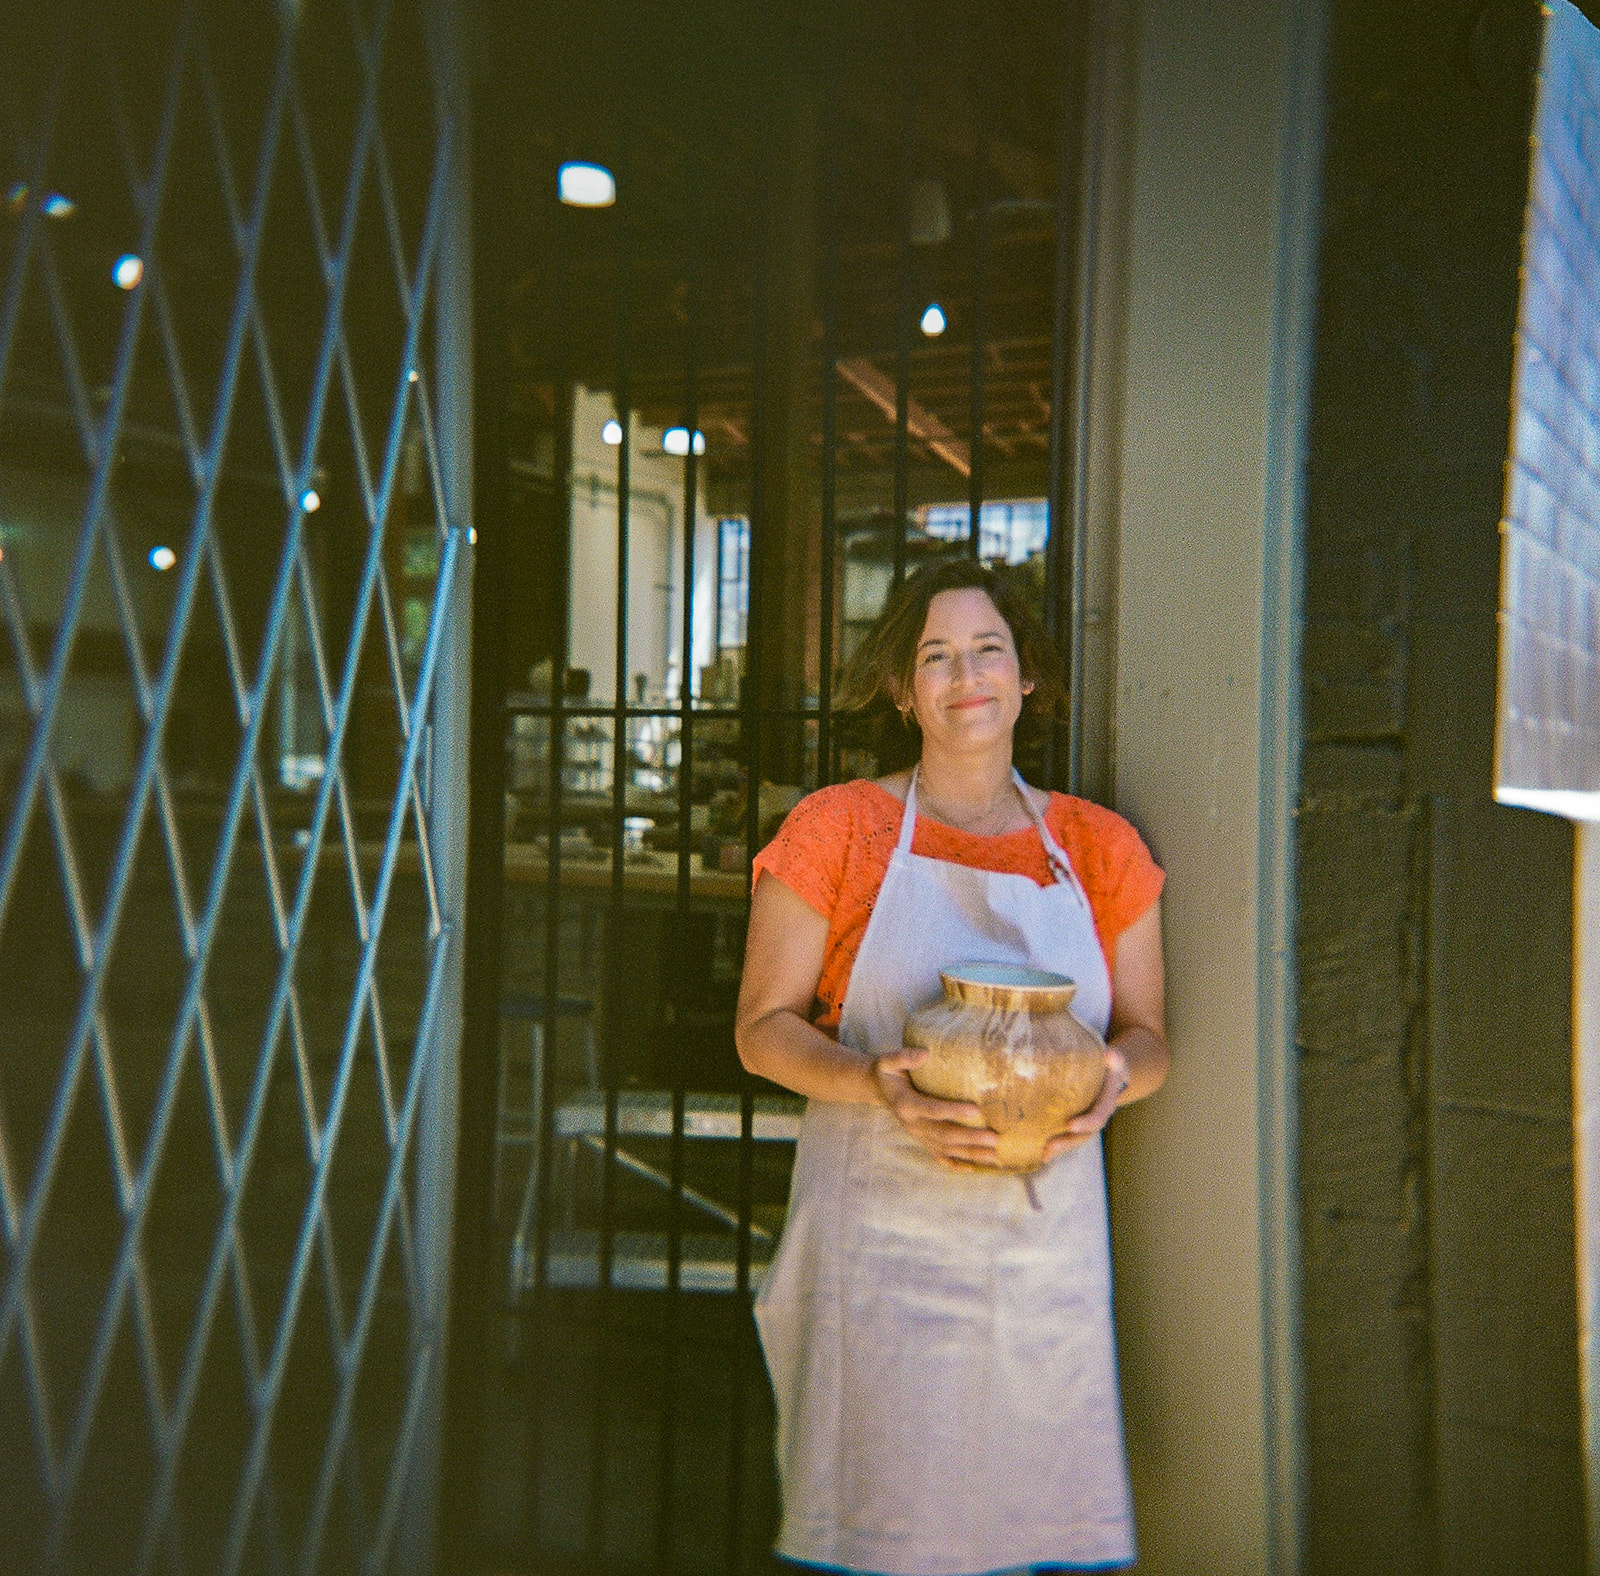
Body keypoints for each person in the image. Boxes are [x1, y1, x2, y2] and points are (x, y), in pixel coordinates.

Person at [734, 557, 1168, 1576]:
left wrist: (1107, 1081)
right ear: (900, 688)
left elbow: (1148, 1035)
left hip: (1042, 1250)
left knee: (1035, 1523)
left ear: (1026, 679)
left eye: (988, 650)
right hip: (879, 1250)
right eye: (935, 655)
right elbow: (762, 1027)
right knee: (881, 1523)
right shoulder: (836, 828)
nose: (964, 675)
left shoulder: (1099, 849)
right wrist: (876, 1081)